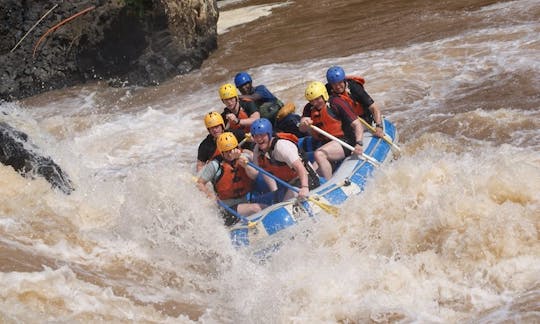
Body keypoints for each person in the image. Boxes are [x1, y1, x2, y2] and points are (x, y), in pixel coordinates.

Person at [298, 81, 365, 180]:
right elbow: (301, 128)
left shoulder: (336, 103)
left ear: (324, 95)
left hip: (345, 141)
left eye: (317, 99)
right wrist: (304, 123)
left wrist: (359, 143)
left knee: (319, 154)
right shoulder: (309, 107)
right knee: (312, 174)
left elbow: (357, 124)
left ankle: (329, 184)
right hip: (327, 144)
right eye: (312, 101)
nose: (315, 103)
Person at [241, 118, 319, 201]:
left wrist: (304, 187)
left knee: (287, 201)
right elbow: (255, 174)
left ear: (269, 134)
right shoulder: (257, 149)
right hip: (289, 183)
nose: (259, 139)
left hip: (307, 179)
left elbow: (300, 167)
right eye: (255, 136)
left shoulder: (281, 146)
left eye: (262, 135)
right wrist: (245, 164)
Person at [196, 132, 264, 226]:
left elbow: (255, 175)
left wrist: (244, 164)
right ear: (221, 151)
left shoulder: (243, 157)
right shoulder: (215, 165)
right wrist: (210, 195)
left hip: (244, 200)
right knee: (255, 208)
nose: (230, 153)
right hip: (226, 208)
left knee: (263, 206)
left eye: (233, 149)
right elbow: (200, 183)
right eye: (227, 151)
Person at [325, 66, 385, 138]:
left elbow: (374, 108)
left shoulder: (355, 88)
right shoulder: (327, 90)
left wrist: (379, 127)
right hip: (344, 120)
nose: (337, 87)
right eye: (334, 84)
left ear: (344, 80)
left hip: (363, 119)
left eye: (340, 83)